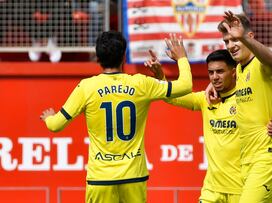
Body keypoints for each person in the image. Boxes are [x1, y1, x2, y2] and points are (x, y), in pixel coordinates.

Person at [40, 31, 192, 203]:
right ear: (124, 56)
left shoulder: (86, 87)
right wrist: (181, 58)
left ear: (97, 58)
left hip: (101, 179)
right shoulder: (141, 83)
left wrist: (49, 117)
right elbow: (186, 86)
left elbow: (55, 125)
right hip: (134, 177)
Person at [145, 49, 272, 203]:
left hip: (241, 189)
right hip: (212, 190)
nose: (214, 77)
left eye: (220, 72)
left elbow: (269, 117)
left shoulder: (247, 100)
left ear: (234, 72)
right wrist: (160, 76)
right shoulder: (206, 99)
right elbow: (174, 98)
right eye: (211, 72)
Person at [206, 11, 272, 202]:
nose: (230, 46)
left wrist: (242, 36)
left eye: (235, 40)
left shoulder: (261, 66)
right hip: (247, 161)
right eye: (227, 41)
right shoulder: (240, 70)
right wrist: (213, 84)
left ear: (249, 37)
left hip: (267, 158)